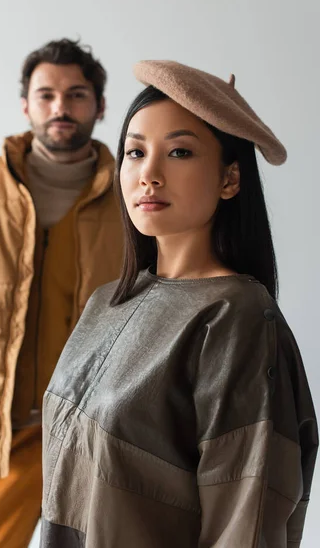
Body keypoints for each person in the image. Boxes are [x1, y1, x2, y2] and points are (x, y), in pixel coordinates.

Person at [40, 61, 318, 547]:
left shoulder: (237, 317)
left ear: (230, 179)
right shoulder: (107, 301)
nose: (149, 174)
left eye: (180, 152)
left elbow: (246, 517)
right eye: (135, 151)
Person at [0, 38, 123, 547]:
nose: (61, 107)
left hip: (100, 434)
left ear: (100, 106)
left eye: (77, 95)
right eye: (46, 94)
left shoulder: (135, 195)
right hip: (0, 437)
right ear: (25, 104)